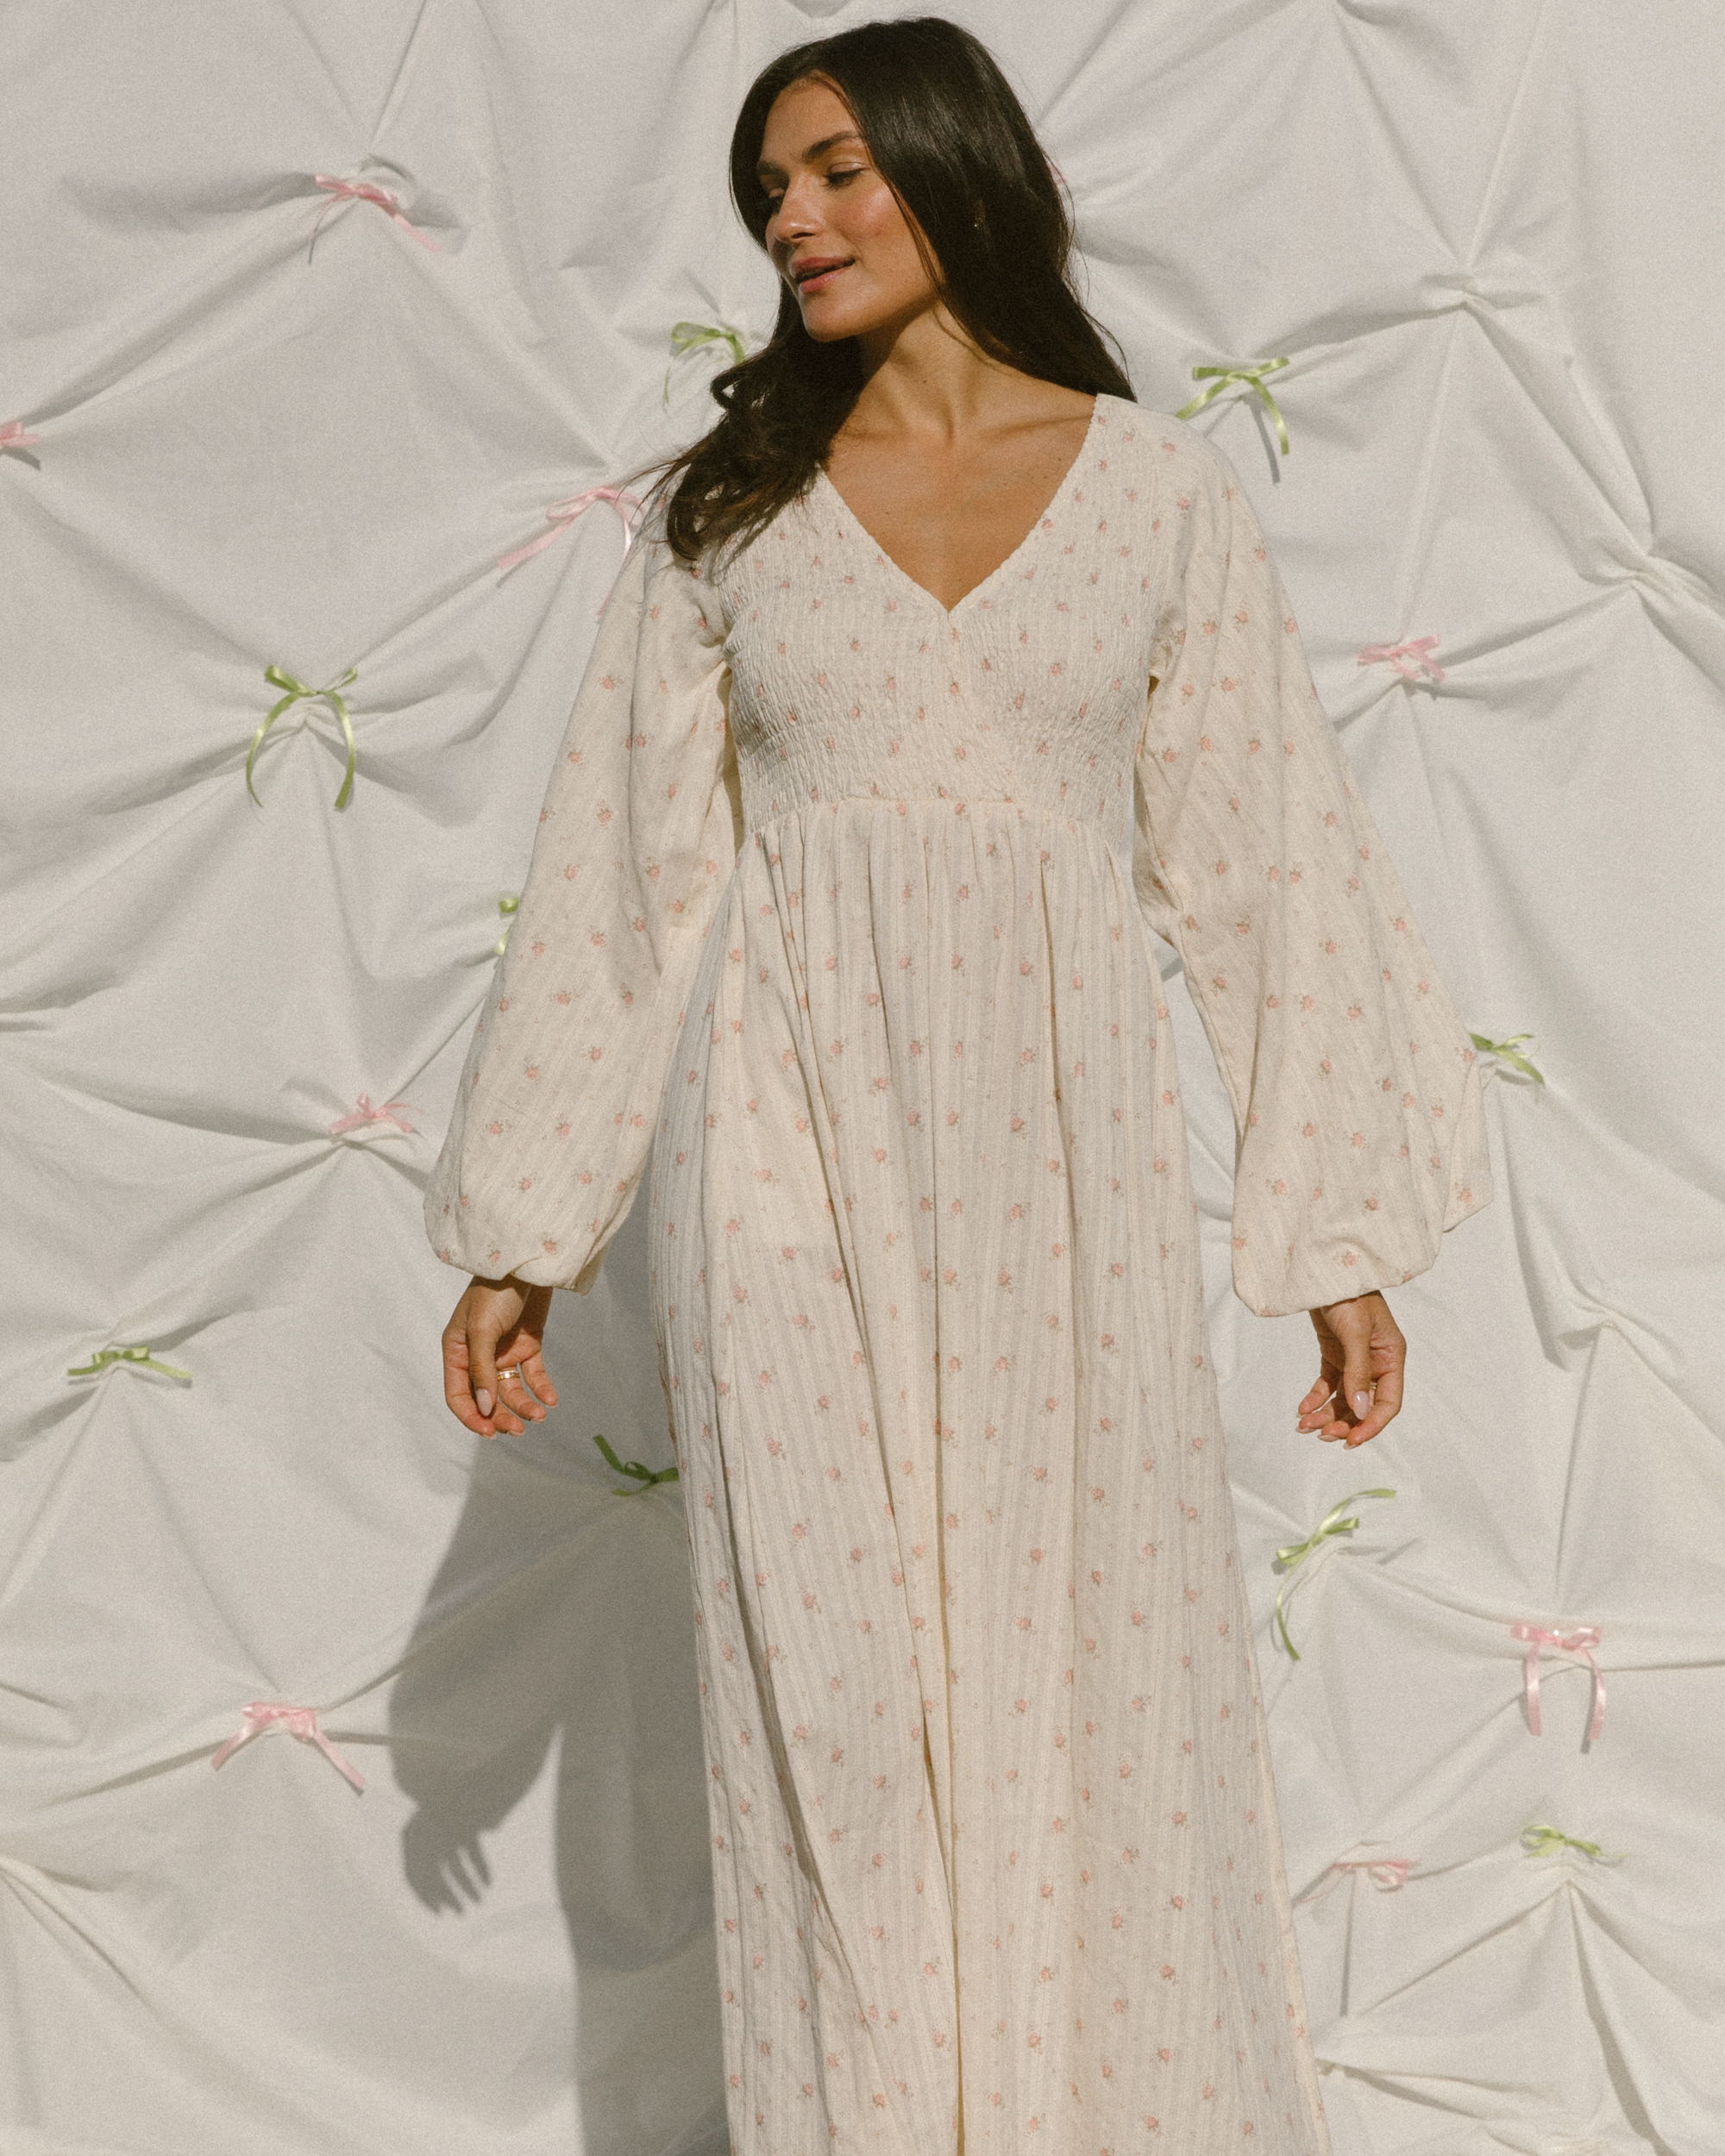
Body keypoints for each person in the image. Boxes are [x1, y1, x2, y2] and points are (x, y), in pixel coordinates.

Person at [426, 16, 1489, 2150]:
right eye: (769, 190)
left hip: (1063, 1169)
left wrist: (1337, 1238)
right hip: (781, 1155)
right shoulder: (732, 515)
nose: (794, 220)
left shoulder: (1154, 496)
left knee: (1082, 1673)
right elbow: (620, 881)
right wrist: (526, 1229)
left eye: (834, 170)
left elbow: (1265, 862)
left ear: (950, 165)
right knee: (829, 1699)